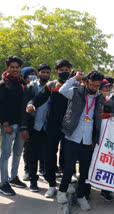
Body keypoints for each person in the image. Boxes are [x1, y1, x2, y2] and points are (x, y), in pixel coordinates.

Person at [56, 71, 105, 211]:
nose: (94, 88)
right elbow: (62, 90)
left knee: (85, 171)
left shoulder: (100, 97)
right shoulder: (76, 91)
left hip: (88, 139)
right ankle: (61, 191)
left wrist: (96, 138)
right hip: (72, 136)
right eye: (92, 85)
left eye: (97, 86)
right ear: (86, 81)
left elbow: (102, 115)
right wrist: (74, 78)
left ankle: (81, 196)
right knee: (69, 167)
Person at [26, 59, 72, 198]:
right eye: (61, 70)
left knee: (67, 157)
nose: (64, 72)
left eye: (66, 70)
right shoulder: (51, 85)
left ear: (70, 71)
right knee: (49, 156)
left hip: (70, 127)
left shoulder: (76, 85)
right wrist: (31, 104)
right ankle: (51, 185)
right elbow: (37, 99)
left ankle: (66, 184)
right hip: (52, 127)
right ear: (57, 71)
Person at [20, 64, 51, 192]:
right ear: (38, 73)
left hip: (47, 128)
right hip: (33, 127)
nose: (45, 74)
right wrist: (24, 128)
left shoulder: (52, 88)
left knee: (46, 155)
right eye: (42, 72)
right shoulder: (30, 88)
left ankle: (50, 181)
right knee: (32, 156)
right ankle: (33, 181)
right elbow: (24, 109)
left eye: (47, 72)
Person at [0, 56, 27, 195]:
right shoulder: (3, 84)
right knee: (5, 154)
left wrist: (24, 126)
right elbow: (1, 106)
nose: (15, 69)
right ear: (7, 68)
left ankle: (13, 177)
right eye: (12, 67)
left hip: (21, 125)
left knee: (17, 153)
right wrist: (5, 124)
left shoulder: (22, 83)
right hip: (8, 125)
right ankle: (3, 182)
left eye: (17, 67)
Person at [20, 67, 37, 181]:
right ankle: (27, 169)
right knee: (27, 148)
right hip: (26, 122)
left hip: (38, 122)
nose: (32, 76)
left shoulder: (37, 87)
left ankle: (41, 168)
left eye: (34, 74)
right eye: (29, 75)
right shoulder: (21, 87)